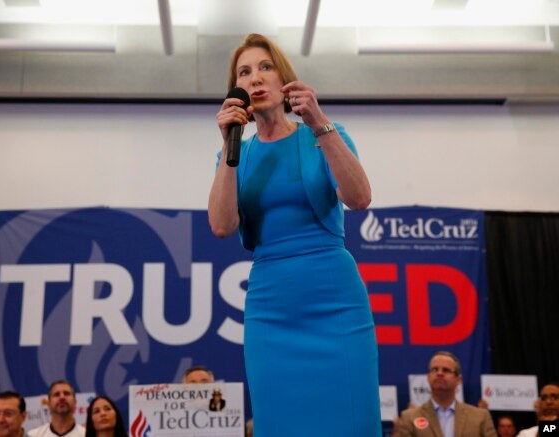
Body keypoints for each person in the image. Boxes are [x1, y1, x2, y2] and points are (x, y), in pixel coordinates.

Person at [208, 33, 380, 436]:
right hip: (272, 309)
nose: (255, 78)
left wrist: (320, 123)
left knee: (351, 419)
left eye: (265, 67)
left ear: (284, 78)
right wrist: (227, 149)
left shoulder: (323, 134)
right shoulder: (237, 152)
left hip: (334, 300)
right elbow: (220, 225)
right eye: (244, 72)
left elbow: (359, 198)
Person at [395, 351, 497, 437]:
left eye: (446, 370)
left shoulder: (480, 417)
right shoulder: (409, 418)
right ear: (429, 376)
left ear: (458, 380)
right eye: (435, 369)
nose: (439, 373)